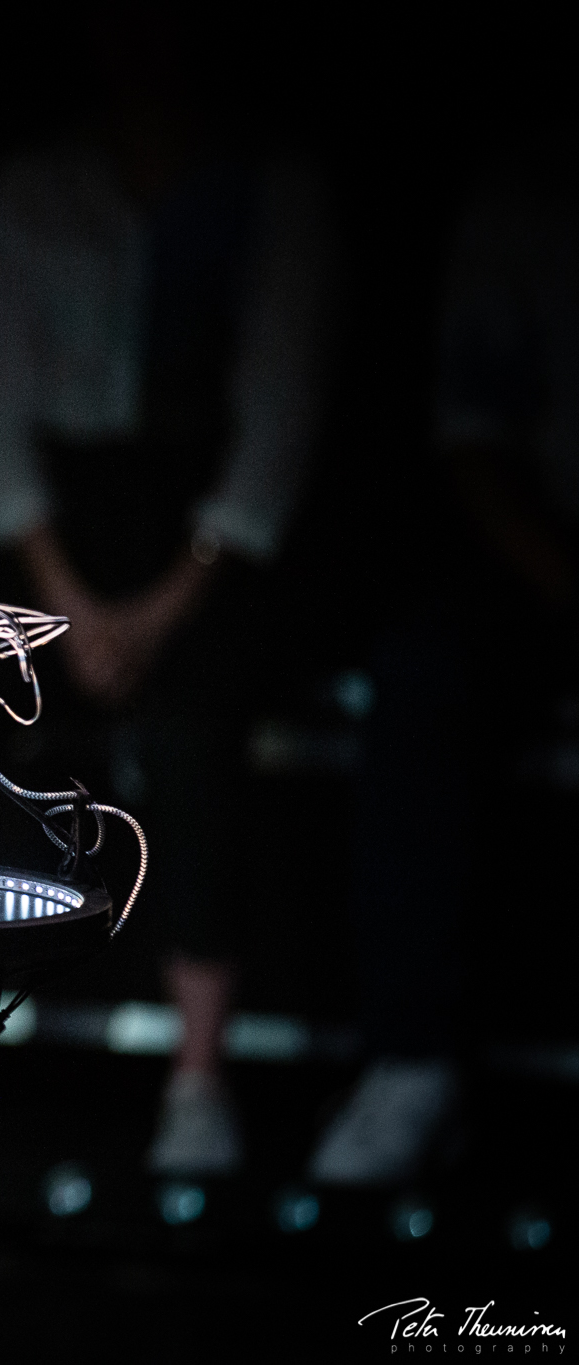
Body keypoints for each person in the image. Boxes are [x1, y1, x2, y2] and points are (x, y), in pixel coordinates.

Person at [0, 71, 327, 1178]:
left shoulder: (269, 191)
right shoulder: (40, 186)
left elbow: (279, 411)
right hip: (61, 530)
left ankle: (197, 1077)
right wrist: (67, 604)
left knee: (196, 730)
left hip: (202, 538)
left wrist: (161, 608)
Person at [310, 158, 576, 1186]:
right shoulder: (526, 195)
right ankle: (411, 1063)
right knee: (419, 677)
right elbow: (473, 436)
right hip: (537, 551)